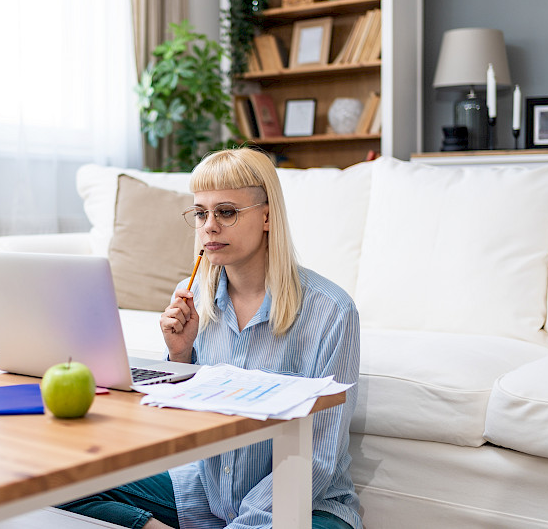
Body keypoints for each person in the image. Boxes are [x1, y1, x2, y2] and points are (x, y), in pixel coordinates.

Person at [60, 148, 361, 529]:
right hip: (208, 492)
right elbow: (184, 427)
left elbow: (318, 456)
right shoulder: (196, 300)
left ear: (267, 216)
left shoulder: (332, 311)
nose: (209, 226)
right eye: (201, 213)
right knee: (66, 485)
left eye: (227, 211)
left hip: (305, 506)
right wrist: (179, 356)